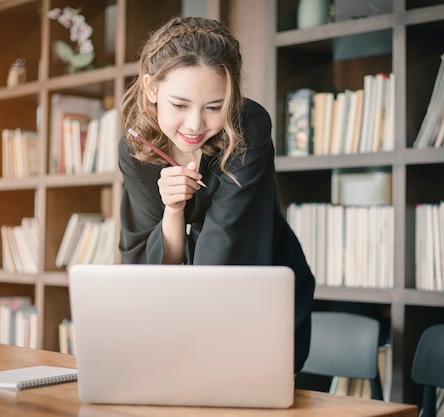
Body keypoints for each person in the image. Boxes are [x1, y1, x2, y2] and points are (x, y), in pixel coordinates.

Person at [118, 15, 315, 373]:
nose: (195, 125)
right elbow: (151, 265)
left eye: (214, 107)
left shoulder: (249, 126)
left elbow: (228, 233)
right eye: (179, 105)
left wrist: (191, 332)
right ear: (151, 88)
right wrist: (173, 211)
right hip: (182, 311)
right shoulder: (135, 150)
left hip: (257, 293)